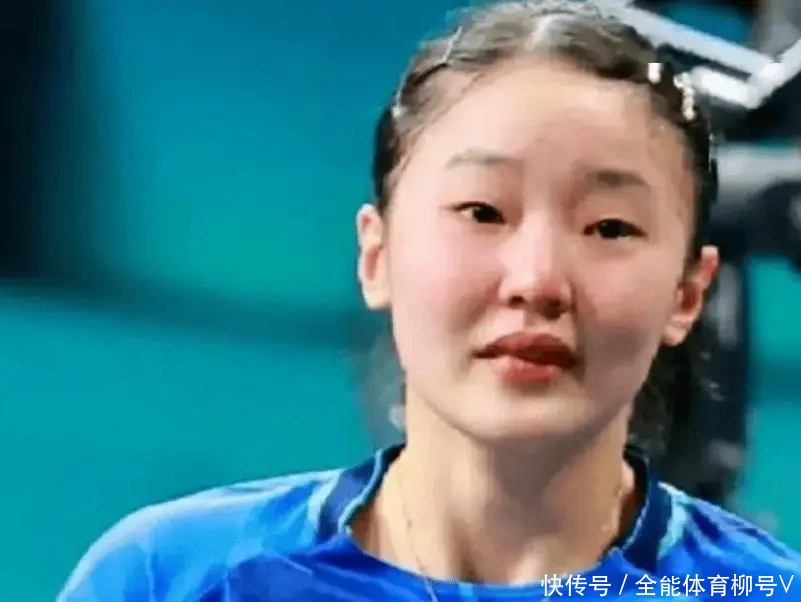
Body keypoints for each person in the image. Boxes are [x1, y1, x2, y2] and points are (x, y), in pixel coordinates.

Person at [59, 2, 801, 600]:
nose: (537, 280)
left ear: (687, 293)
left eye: (609, 227)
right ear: (376, 255)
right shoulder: (173, 579)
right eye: (482, 211)